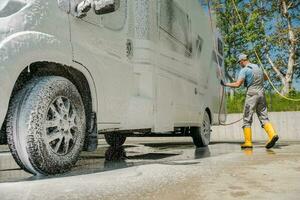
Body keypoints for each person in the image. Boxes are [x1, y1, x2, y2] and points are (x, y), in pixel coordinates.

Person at [221, 53, 279, 149]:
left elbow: (237, 84)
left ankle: (248, 142)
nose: (239, 64)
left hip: (252, 94)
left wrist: (225, 84)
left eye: (239, 62)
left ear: (242, 61)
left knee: (247, 118)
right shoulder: (258, 67)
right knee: (264, 117)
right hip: (261, 94)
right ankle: (273, 135)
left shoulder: (245, 70)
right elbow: (266, 78)